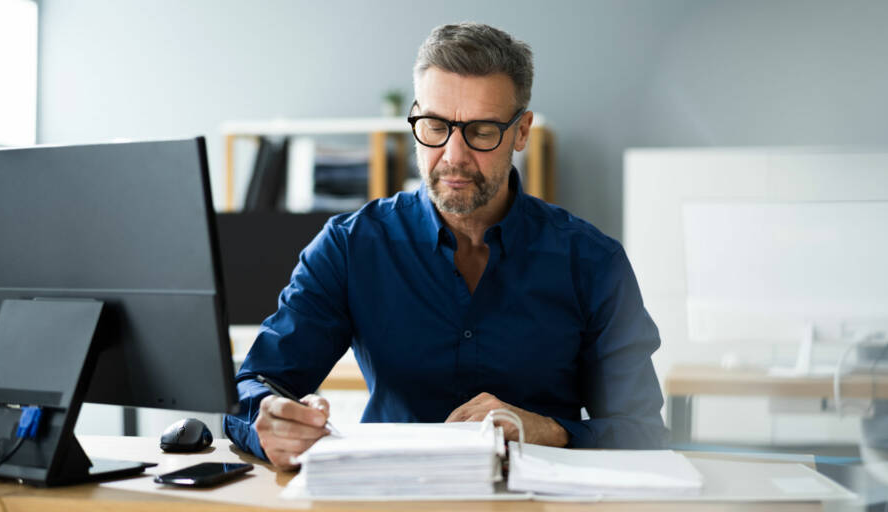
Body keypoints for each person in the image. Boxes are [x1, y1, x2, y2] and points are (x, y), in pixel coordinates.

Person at [225, 22, 668, 470]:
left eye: (480, 131)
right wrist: (270, 422)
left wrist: (545, 430)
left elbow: (644, 431)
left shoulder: (593, 262)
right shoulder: (350, 246)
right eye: (435, 126)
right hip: (386, 496)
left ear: (521, 132)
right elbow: (255, 386)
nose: (453, 156)